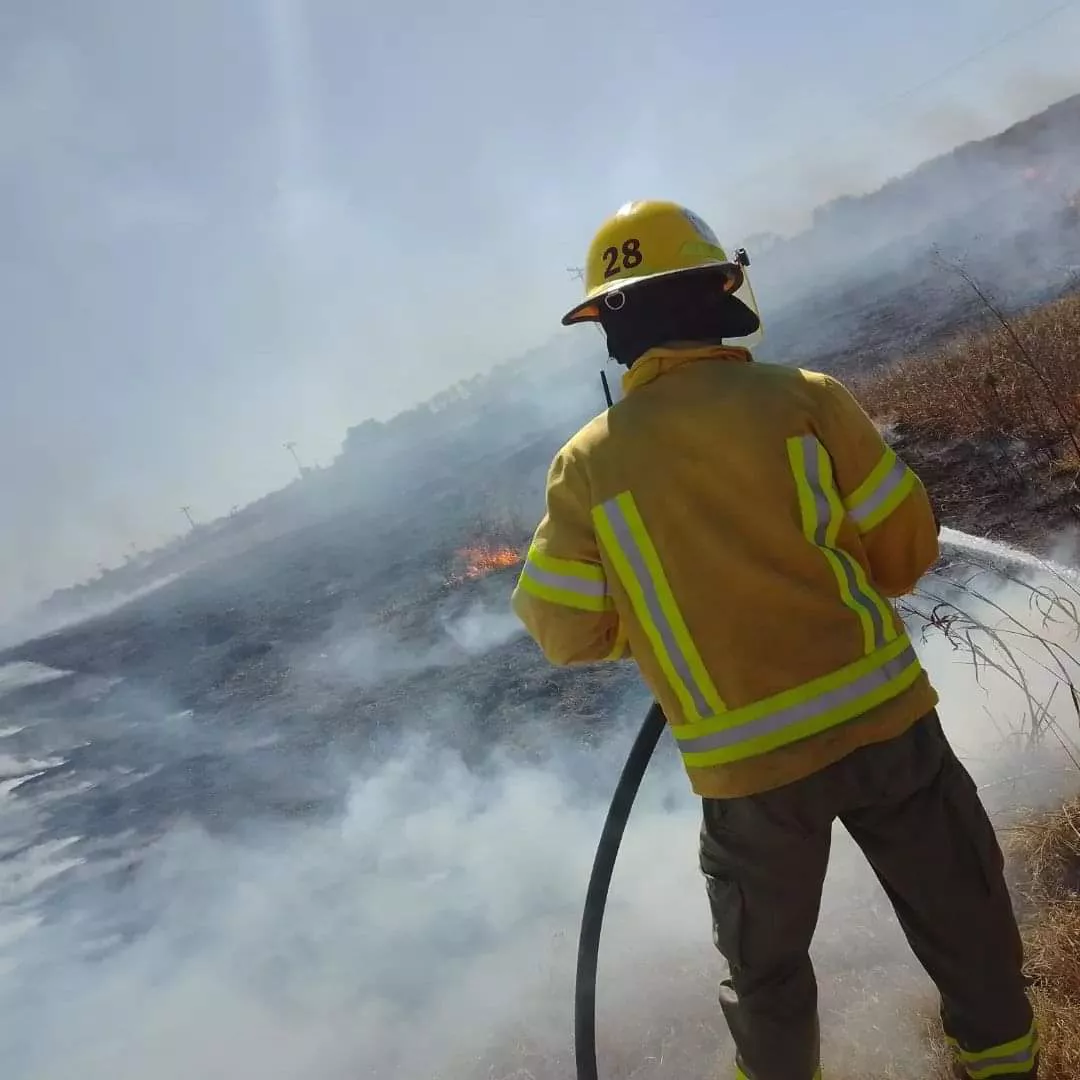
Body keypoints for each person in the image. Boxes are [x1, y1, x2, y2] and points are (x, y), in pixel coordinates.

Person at [510, 200, 1038, 1080]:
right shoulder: (805, 399)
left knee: (767, 978)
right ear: (718, 290)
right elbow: (905, 553)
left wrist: (669, 620)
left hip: (748, 774)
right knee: (967, 923)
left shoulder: (587, 465)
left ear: (613, 324)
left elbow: (563, 630)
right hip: (887, 729)